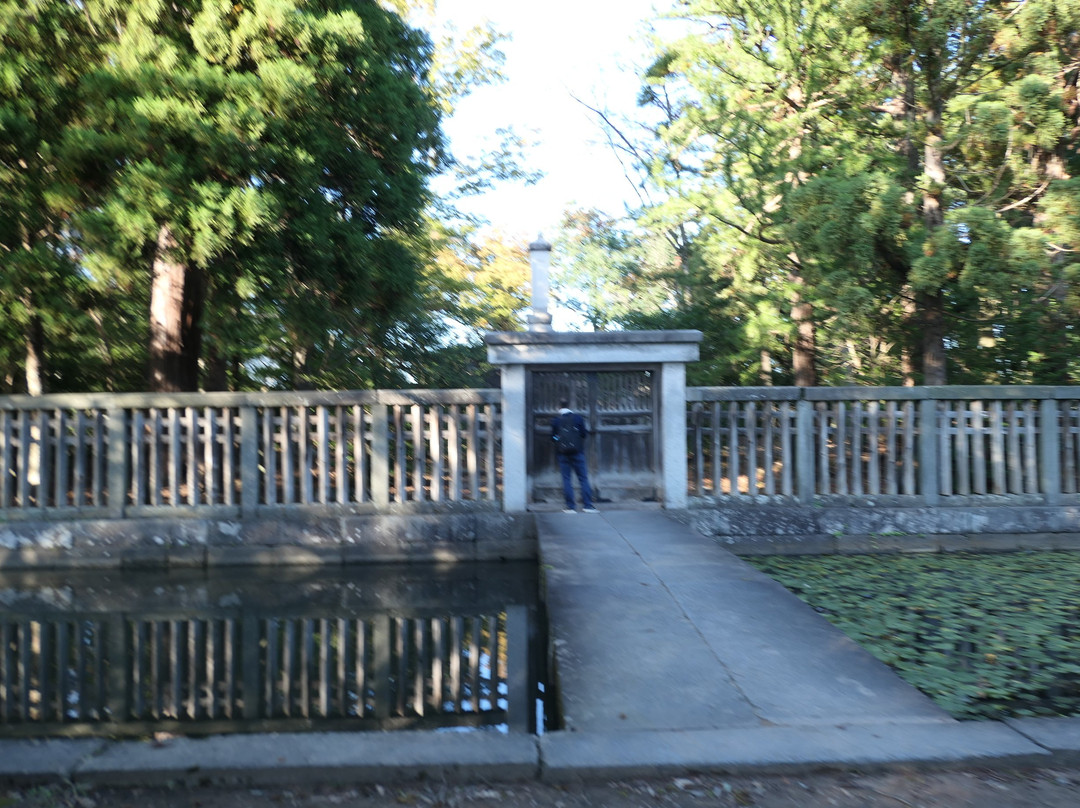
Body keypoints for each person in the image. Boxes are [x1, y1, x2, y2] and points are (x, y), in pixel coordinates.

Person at [550, 400, 598, 513]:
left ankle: (570, 507)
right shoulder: (578, 418)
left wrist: (558, 440)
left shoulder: (556, 420)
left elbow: (553, 437)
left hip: (562, 453)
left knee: (567, 479)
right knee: (583, 478)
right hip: (577, 452)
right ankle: (587, 505)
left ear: (559, 407)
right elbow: (583, 434)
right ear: (570, 406)